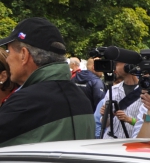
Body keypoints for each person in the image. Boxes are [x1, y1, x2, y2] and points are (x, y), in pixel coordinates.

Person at [0, 17, 95, 146]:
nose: (8, 59)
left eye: (9, 51)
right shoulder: (82, 99)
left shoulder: (25, 103)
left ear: (24, 55)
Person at [95, 61, 144, 139]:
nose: (114, 70)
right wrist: (105, 115)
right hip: (110, 140)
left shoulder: (145, 91)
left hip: (131, 141)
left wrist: (129, 119)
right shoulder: (112, 90)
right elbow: (106, 124)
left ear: (127, 65)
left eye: (116, 65)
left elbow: (149, 124)